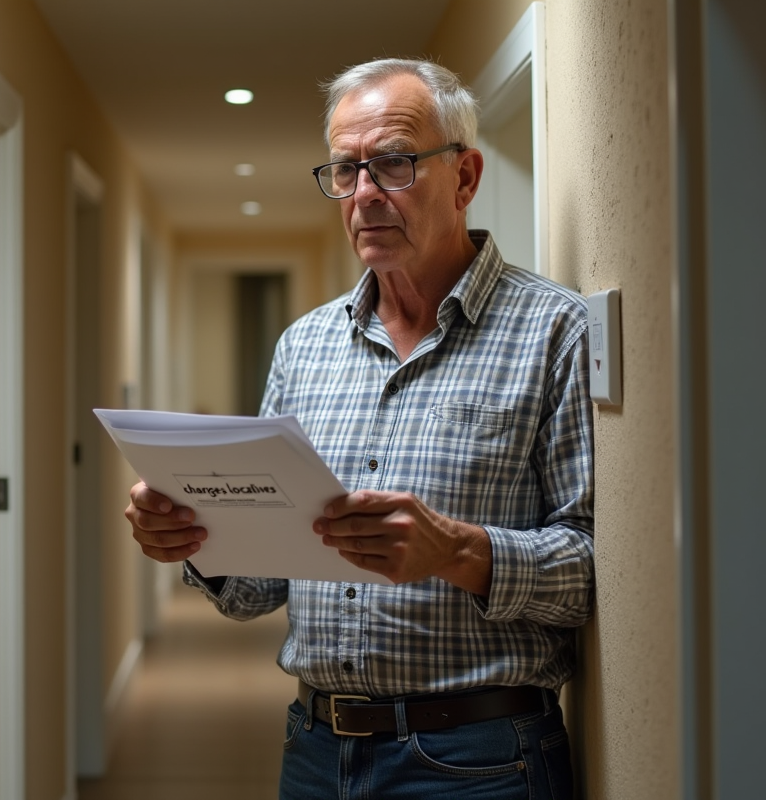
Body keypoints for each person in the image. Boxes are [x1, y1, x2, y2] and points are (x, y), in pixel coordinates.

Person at [125, 58, 594, 800]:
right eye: (346, 171)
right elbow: (259, 586)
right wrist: (198, 537)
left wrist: (460, 552)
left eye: (394, 164)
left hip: (479, 761)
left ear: (465, 177)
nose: (366, 195)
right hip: (315, 751)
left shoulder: (555, 330)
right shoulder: (304, 347)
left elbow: (592, 570)